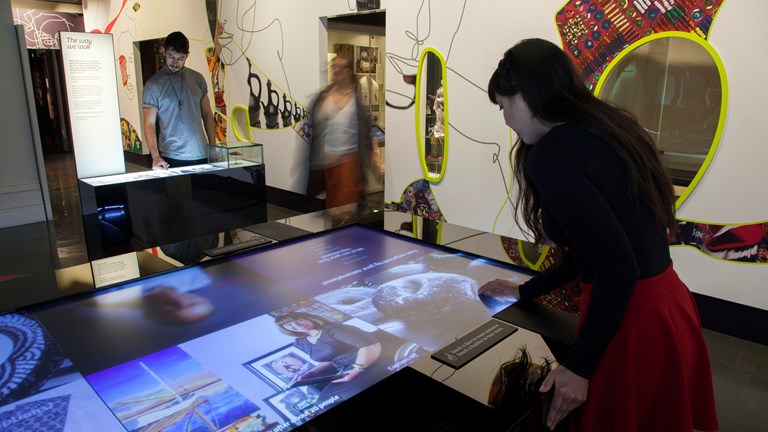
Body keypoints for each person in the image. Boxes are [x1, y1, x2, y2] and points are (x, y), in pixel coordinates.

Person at [480, 38, 719, 431]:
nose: (505, 119)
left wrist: (579, 367)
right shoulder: (608, 126)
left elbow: (614, 268)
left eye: (503, 105)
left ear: (527, 96)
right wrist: (525, 290)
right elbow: (595, 252)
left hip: (630, 319)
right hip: (668, 304)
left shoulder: (553, 154)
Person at [305, 56, 383, 226]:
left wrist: (375, 157)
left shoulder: (356, 100)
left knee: (348, 210)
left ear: (348, 71)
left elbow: (369, 129)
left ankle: (347, 242)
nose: (337, 70)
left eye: (341, 67)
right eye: (334, 67)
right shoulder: (323, 97)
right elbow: (313, 128)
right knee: (334, 210)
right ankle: (338, 243)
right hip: (328, 163)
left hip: (349, 162)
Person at [143, 31, 216, 170]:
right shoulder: (153, 85)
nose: (175, 63)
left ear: (187, 56)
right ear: (164, 52)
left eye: (180, 58)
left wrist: (213, 146)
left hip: (202, 153)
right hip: (171, 156)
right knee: (180, 192)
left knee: (207, 192)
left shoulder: (198, 79)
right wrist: (155, 156)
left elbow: (207, 114)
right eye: (171, 57)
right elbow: (149, 124)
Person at [273, 312, 381, 402]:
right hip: (347, 370)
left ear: (308, 318)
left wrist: (358, 369)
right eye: (289, 325)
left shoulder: (332, 329)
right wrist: (311, 373)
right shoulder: (302, 342)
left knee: (335, 400)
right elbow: (328, 360)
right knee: (323, 403)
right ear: (286, 329)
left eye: (298, 320)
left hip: (371, 363)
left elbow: (371, 345)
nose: (296, 325)